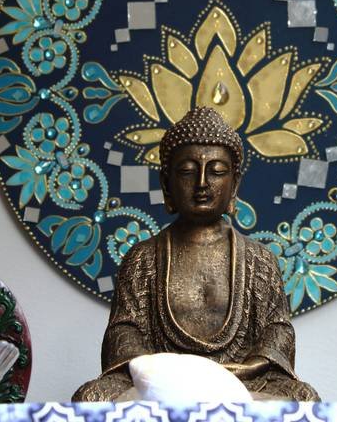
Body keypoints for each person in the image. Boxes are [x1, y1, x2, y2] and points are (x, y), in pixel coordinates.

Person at [73, 106, 319, 401]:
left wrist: (250, 366)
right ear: (166, 184)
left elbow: (277, 330)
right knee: (91, 397)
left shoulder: (259, 260)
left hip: (242, 382)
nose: (202, 183)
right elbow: (123, 331)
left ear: (235, 184)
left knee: (304, 398)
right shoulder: (143, 258)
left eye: (217, 171)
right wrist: (157, 371)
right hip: (162, 384)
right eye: (188, 172)